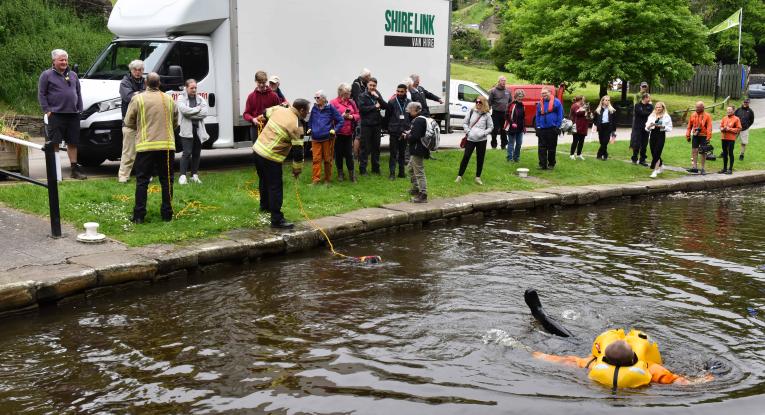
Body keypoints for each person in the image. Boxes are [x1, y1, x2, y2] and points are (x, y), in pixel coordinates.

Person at [533, 329, 713, 389]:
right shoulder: (651, 369)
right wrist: (711, 375)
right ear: (635, 357)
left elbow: (564, 360)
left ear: (604, 358)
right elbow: (681, 382)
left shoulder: (592, 363)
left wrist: (536, 354)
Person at [123, 73, 178, 224]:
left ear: (145, 83)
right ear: (159, 83)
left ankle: (139, 215)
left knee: (142, 181)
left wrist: (140, 127)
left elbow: (128, 121)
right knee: (167, 180)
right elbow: (175, 121)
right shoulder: (168, 99)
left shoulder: (138, 99)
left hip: (145, 146)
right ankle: (167, 214)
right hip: (166, 146)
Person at [252, 99, 310, 229]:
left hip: (257, 150)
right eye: (307, 110)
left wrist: (280, 105)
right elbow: (298, 153)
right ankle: (277, 219)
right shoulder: (297, 125)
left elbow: (265, 112)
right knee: (275, 187)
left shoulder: (279, 109)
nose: (308, 113)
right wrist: (297, 170)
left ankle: (264, 206)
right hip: (271, 157)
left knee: (264, 180)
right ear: (301, 110)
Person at [37, 49, 86, 180]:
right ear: (54, 61)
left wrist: (79, 109)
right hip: (56, 114)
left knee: (73, 143)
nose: (64, 62)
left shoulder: (73, 75)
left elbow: (78, 93)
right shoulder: (46, 75)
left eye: (65, 59)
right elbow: (41, 94)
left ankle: (74, 170)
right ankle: (56, 172)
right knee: (55, 143)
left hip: (73, 114)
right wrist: (47, 110)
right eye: (61, 60)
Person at [176, 79, 209, 185]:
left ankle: (194, 175)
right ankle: (182, 176)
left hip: (198, 130)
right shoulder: (181, 98)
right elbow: (185, 112)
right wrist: (197, 109)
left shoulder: (200, 99)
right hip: (186, 130)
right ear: (186, 88)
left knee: (196, 153)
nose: (194, 90)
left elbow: (204, 113)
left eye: (195, 88)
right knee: (187, 153)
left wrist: (192, 112)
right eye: (191, 88)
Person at [117, 59, 145, 183]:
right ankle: (123, 176)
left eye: (140, 70)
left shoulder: (146, 81)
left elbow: (152, 93)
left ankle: (144, 175)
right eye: (135, 70)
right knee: (128, 151)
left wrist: (137, 93)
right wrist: (142, 94)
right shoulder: (124, 82)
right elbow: (128, 97)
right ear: (131, 70)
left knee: (144, 151)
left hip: (144, 122)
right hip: (129, 123)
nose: (138, 72)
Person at [308, 90, 344, 184]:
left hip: (327, 138)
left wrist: (335, 130)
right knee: (316, 159)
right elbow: (311, 120)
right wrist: (310, 128)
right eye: (315, 98)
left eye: (318, 98)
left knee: (327, 160)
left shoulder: (330, 108)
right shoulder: (314, 108)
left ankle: (327, 179)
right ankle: (316, 180)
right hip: (315, 138)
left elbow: (340, 120)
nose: (316, 100)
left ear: (324, 98)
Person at [456, 95, 493, 185]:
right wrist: (468, 131)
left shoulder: (487, 115)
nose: (477, 104)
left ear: (484, 103)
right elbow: (465, 123)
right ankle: (459, 176)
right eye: (476, 102)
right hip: (470, 139)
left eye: (480, 102)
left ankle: (478, 177)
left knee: (480, 158)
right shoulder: (472, 112)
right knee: (466, 157)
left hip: (482, 140)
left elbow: (491, 127)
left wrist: (484, 133)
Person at [330, 83, 360, 182]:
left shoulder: (351, 102)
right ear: (341, 93)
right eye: (347, 93)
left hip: (348, 132)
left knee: (349, 155)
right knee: (338, 154)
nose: (349, 94)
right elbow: (330, 117)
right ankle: (340, 174)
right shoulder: (333, 103)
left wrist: (352, 117)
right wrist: (341, 116)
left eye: (349, 92)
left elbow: (358, 114)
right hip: (338, 133)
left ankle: (352, 175)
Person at [357, 77, 387, 175]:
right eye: (370, 85)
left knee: (376, 147)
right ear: (367, 85)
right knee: (365, 148)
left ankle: (375, 168)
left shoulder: (376, 94)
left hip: (377, 124)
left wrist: (378, 97)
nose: (372, 87)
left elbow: (384, 106)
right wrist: (374, 106)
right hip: (366, 125)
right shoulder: (362, 95)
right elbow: (361, 109)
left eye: (374, 85)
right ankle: (363, 169)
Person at [243, 71, 282, 141]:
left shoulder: (273, 96)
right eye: (259, 82)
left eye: (263, 83)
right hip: (255, 128)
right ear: (255, 81)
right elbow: (246, 114)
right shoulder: (251, 96)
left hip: (270, 128)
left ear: (266, 81)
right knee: (256, 150)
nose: (261, 85)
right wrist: (253, 119)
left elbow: (279, 112)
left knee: (269, 150)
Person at [405, 102, 429, 203]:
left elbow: (415, 137)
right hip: (418, 148)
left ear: (415, 110)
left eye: (410, 110)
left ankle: (423, 194)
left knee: (419, 172)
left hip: (417, 149)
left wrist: (407, 136)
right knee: (410, 169)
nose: (409, 111)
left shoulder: (418, 121)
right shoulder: (421, 119)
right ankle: (415, 188)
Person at [534, 87, 564, 169]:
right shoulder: (540, 103)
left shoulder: (557, 102)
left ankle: (551, 164)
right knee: (541, 147)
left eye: (545, 93)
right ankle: (542, 164)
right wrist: (538, 126)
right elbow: (537, 115)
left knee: (552, 147)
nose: (543, 95)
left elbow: (560, 115)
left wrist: (557, 126)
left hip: (552, 128)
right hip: (542, 128)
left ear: (550, 93)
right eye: (542, 93)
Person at [387, 83, 411, 180]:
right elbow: (387, 117)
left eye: (401, 91)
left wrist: (408, 129)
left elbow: (410, 116)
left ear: (406, 92)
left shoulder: (409, 102)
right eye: (398, 91)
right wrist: (388, 128)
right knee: (393, 153)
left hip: (404, 131)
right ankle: (392, 173)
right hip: (394, 131)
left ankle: (401, 172)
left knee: (402, 153)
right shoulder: (392, 102)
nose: (399, 93)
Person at [645, 101, 672, 178]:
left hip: (661, 135)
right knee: (653, 152)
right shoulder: (652, 115)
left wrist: (662, 126)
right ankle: (661, 165)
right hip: (653, 134)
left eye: (659, 107)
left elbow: (670, 128)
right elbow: (646, 127)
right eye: (656, 107)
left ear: (663, 108)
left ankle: (654, 171)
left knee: (657, 152)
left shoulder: (666, 116)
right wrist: (650, 126)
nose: (658, 108)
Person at [685, 101, 713, 175]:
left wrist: (708, 137)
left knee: (703, 152)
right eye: (696, 107)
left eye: (698, 107)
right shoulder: (693, 115)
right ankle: (694, 167)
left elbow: (709, 127)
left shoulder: (707, 116)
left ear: (702, 108)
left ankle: (703, 168)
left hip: (704, 136)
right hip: (695, 135)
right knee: (694, 150)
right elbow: (689, 126)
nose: (696, 108)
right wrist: (688, 135)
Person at [488, 76, 511, 149]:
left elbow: (510, 101)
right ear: (499, 81)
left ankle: (503, 145)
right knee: (494, 130)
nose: (504, 82)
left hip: (504, 113)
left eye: (505, 80)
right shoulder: (493, 91)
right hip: (496, 113)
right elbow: (489, 102)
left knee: (503, 130)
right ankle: (494, 145)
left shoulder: (508, 91)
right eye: (502, 80)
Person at [631, 93, 653, 166]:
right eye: (649, 98)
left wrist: (646, 113)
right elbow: (641, 113)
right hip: (638, 127)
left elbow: (651, 114)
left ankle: (642, 160)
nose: (650, 99)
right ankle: (634, 158)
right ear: (645, 98)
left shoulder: (650, 106)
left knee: (644, 144)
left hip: (646, 128)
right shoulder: (637, 105)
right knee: (637, 143)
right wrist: (647, 113)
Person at [592, 95, 617, 161]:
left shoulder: (612, 110)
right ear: (602, 101)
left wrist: (614, 131)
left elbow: (614, 121)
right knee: (602, 142)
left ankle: (599, 155)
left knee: (605, 141)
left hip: (608, 126)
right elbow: (594, 119)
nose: (607, 101)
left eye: (608, 100)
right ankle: (605, 154)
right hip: (601, 127)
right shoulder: (598, 110)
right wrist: (596, 124)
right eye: (606, 100)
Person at [718, 105, 742, 175]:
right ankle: (724, 168)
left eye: (730, 110)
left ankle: (730, 169)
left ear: (733, 111)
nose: (728, 111)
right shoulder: (724, 118)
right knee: (724, 153)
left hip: (731, 139)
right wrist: (722, 129)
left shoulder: (736, 119)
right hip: (724, 138)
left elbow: (739, 128)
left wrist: (730, 129)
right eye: (727, 110)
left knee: (730, 153)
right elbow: (721, 126)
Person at [505, 89, 525, 162]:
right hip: (511, 128)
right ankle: (509, 158)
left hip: (520, 128)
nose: (520, 98)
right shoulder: (512, 104)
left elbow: (523, 117)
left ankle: (516, 157)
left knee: (519, 143)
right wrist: (512, 123)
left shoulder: (522, 105)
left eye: (522, 96)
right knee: (511, 143)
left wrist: (524, 127)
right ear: (515, 96)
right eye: (519, 96)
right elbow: (507, 115)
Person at [568, 95, 588, 160]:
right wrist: (584, 110)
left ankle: (579, 154)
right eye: (583, 99)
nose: (584, 101)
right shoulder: (575, 106)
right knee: (575, 141)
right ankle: (571, 154)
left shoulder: (583, 106)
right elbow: (577, 113)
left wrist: (588, 112)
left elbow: (587, 114)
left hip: (583, 125)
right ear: (580, 100)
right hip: (576, 125)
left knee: (582, 141)